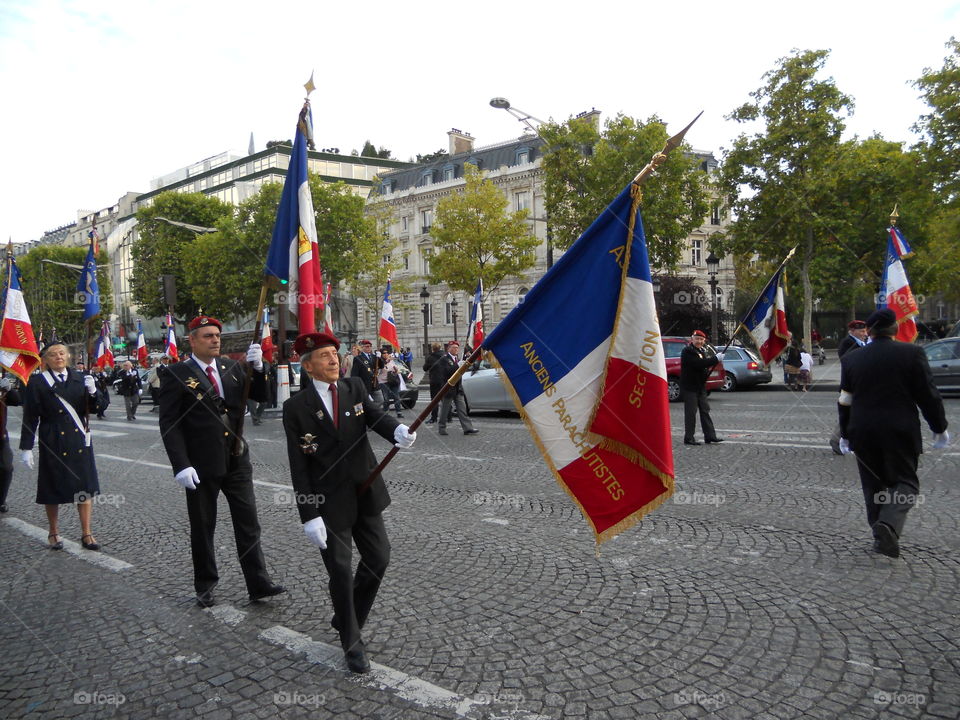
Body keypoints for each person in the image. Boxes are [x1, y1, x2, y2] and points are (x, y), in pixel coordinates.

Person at [282, 332, 416, 674]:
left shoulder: (354, 387)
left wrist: (396, 431)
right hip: (328, 501)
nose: (333, 360)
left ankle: (346, 615)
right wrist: (308, 514)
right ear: (308, 366)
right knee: (340, 571)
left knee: (379, 558)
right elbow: (299, 466)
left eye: (334, 353)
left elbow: (375, 416)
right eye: (324, 356)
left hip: (365, 489)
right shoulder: (295, 408)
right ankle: (352, 641)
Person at [159, 315, 286, 608]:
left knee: (249, 523)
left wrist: (259, 368)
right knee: (203, 526)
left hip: (236, 458)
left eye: (217, 335)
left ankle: (258, 583)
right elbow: (169, 423)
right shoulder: (176, 374)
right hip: (201, 464)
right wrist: (181, 464)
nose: (215, 340)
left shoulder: (232, 367)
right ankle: (205, 585)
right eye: (208, 336)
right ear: (192, 341)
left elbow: (261, 396)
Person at [838, 308, 950, 558]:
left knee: (873, 486)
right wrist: (939, 427)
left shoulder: (852, 359)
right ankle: (888, 525)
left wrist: (844, 433)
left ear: (870, 331)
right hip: (899, 430)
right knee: (906, 483)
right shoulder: (912, 353)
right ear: (896, 329)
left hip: (862, 431)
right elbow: (928, 395)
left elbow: (845, 400)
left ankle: (881, 537)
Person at [19, 340, 105, 550]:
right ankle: (53, 532)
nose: (58, 357)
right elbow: (30, 416)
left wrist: (93, 392)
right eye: (53, 354)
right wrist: (26, 447)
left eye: (61, 353)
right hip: (53, 438)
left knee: (84, 488)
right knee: (52, 487)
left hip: (78, 438)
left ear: (68, 356)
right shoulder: (38, 382)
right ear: (45, 360)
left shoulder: (80, 378)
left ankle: (86, 533)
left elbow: (96, 408)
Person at [830, 320, 868, 454]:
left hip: (859, 384)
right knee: (849, 414)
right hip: (850, 385)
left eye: (865, 331)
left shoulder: (862, 343)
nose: (865, 333)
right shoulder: (847, 343)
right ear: (852, 331)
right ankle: (836, 440)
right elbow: (848, 361)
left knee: (854, 414)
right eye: (861, 331)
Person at [680, 330, 723, 445]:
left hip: (700, 386)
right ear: (692, 339)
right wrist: (715, 359)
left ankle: (710, 436)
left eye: (701, 339)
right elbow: (699, 363)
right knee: (691, 413)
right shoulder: (688, 351)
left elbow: (703, 366)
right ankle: (689, 438)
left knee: (705, 411)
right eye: (697, 339)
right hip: (690, 387)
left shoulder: (701, 351)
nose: (699, 341)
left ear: (704, 341)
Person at [435, 340, 478, 437]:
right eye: (453, 347)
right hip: (448, 388)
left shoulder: (457, 359)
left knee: (462, 409)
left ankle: (467, 428)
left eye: (457, 347)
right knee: (445, 410)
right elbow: (446, 372)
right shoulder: (444, 359)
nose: (456, 349)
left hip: (458, 388)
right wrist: (457, 366)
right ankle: (442, 427)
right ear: (448, 349)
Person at [0, 376, 23, 513]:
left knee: (6, 467)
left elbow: (17, 401)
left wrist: (9, 389)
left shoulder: (1, 389)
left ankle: (1, 500)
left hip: (1, 436)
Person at [376, 348, 404, 418]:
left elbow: (396, 370)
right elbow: (378, 370)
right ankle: (385, 412)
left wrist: (395, 371)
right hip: (383, 381)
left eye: (387, 353)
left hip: (393, 381)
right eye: (384, 353)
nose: (386, 354)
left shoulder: (391, 361)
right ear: (381, 354)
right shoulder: (379, 361)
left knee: (396, 397)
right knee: (386, 399)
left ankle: (399, 412)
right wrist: (386, 361)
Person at [422, 342, 445, 425]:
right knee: (445, 399)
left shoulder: (430, 357)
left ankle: (434, 418)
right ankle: (448, 417)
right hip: (444, 380)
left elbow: (425, 368)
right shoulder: (445, 356)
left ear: (433, 349)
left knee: (434, 400)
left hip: (434, 380)